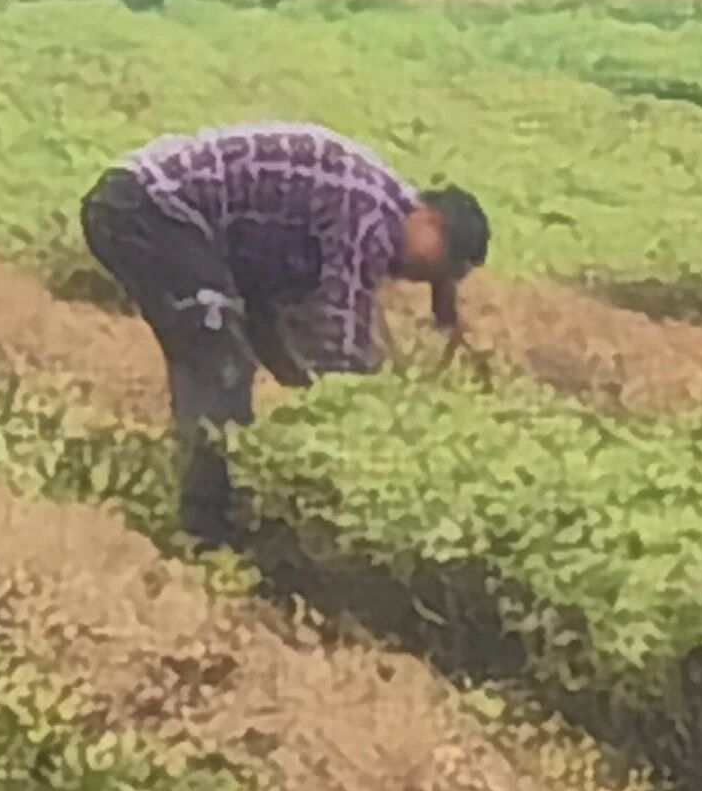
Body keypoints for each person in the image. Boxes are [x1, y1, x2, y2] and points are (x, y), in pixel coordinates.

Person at [78, 123, 490, 546]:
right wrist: (370, 420)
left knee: (254, 335)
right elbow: (338, 337)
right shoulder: (370, 213)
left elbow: (295, 334)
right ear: (429, 219)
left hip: (178, 220)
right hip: (149, 210)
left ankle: (227, 495)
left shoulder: (378, 203)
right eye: (437, 266)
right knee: (222, 363)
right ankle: (205, 528)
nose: (419, 277)